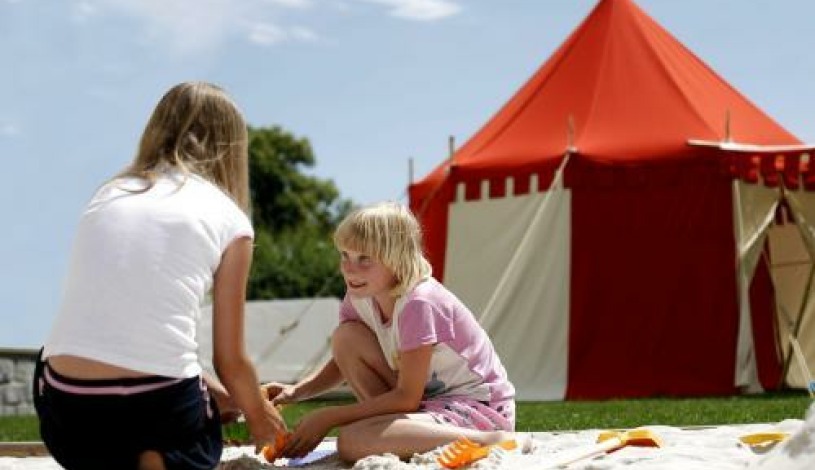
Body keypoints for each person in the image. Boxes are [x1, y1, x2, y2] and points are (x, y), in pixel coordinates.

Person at [32, 81, 286, 470]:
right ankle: (156, 454)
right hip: (155, 404)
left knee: (66, 361)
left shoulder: (109, 194)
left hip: (68, 414)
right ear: (232, 147)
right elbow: (229, 359)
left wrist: (231, 396)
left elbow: (128, 331)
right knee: (195, 432)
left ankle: (124, 450)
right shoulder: (231, 219)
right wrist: (259, 416)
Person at [263, 201, 516, 462]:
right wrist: (296, 391)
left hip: (476, 409)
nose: (350, 269)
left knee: (352, 440)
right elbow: (345, 358)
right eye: (345, 255)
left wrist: (329, 416)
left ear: (396, 259)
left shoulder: (419, 303)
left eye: (365, 259)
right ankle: (397, 434)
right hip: (425, 404)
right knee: (346, 337)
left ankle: (494, 439)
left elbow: (407, 397)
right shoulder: (360, 294)